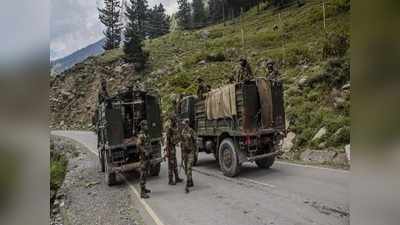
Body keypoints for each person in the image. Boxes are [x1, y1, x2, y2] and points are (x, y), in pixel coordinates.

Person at [165, 114, 183, 185]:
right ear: (173, 120)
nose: (176, 121)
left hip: (173, 148)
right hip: (170, 148)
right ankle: (170, 180)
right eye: (175, 119)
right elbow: (169, 140)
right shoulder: (169, 128)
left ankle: (177, 178)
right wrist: (168, 151)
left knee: (175, 164)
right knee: (171, 165)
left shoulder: (174, 127)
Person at [180, 119, 196, 193]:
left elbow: (195, 140)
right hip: (185, 152)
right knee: (186, 169)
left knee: (189, 167)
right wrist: (182, 154)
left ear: (187, 123)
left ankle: (186, 186)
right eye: (183, 124)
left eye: (184, 124)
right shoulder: (183, 131)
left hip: (191, 152)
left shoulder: (191, 131)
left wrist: (196, 152)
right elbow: (182, 143)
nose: (183, 125)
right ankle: (190, 181)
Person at [137, 120, 152, 198]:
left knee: (146, 173)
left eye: (147, 125)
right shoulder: (141, 135)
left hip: (147, 157)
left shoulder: (146, 134)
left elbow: (148, 144)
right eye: (145, 125)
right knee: (143, 173)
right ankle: (142, 193)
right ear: (142, 126)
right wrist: (145, 151)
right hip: (143, 158)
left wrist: (150, 152)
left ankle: (144, 188)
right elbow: (139, 145)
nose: (147, 126)